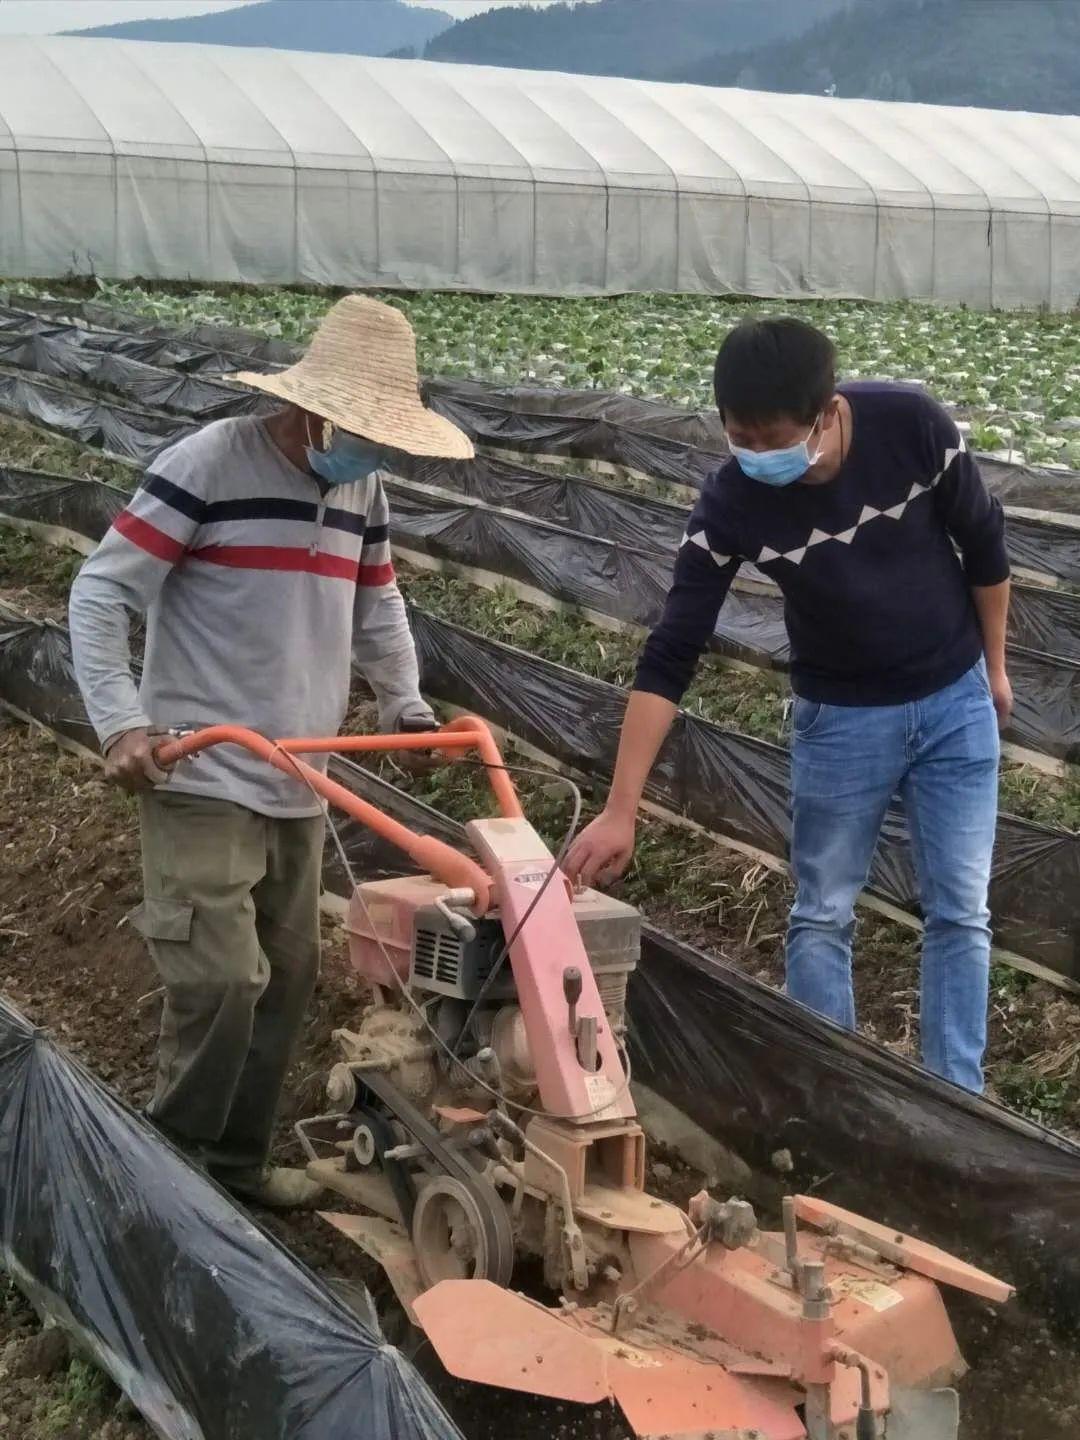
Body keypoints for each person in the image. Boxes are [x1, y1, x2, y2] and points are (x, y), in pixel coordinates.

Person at [69, 295, 473, 1205]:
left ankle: (237, 1169)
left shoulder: (360, 488)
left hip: (301, 772)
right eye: (362, 430)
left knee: (285, 983)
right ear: (310, 407)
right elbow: (101, 593)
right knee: (220, 978)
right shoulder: (209, 463)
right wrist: (121, 723)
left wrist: (406, 706)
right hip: (202, 765)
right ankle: (167, 1178)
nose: (372, 449)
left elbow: (379, 606)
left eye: (384, 434)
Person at [566, 317, 1011, 1094]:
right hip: (841, 721)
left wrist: (995, 672)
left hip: (952, 697)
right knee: (823, 911)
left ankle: (955, 1102)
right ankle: (828, 1095)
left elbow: (985, 542)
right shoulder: (732, 501)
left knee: (959, 912)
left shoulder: (915, 427)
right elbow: (673, 647)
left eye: (773, 437)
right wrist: (621, 804)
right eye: (741, 435)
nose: (757, 453)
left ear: (828, 412)